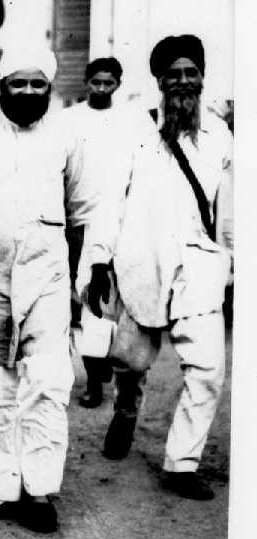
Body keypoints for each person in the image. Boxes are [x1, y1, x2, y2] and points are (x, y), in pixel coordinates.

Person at [0, 45, 111, 534]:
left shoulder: (68, 138)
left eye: (37, 84)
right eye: (18, 83)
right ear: (1, 86)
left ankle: (38, 490)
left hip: (47, 278)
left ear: (49, 89)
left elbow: (81, 217)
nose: (28, 92)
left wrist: (80, 281)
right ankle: (0, 485)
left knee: (48, 384)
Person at [92, 35, 233, 501]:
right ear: (158, 81)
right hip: (142, 262)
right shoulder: (135, 131)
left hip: (199, 268)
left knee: (208, 371)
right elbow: (108, 202)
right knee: (130, 362)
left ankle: (181, 463)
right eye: (173, 74)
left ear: (202, 78)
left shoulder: (220, 136)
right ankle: (127, 410)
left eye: (191, 72)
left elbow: (230, 212)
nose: (183, 81)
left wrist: (232, 265)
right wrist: (97, 260)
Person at [61, 57, 149, 409]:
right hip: (80, 222)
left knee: (113, 301)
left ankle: (107, 368)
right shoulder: (70, 120)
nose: (100, 88)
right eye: (95, 82)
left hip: (119, 225)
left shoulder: (129, 121)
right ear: (86, 82)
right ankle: (94, 379)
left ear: (117, 83)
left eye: (107, 83)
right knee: (85, 302)